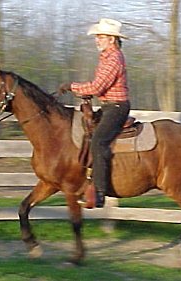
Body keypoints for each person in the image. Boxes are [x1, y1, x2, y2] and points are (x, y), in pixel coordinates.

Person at [58, 18, 130, 208]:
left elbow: (97, 87)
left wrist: (72, 86)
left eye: (101, 37)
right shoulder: (106, 57)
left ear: (112, 39)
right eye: (97, 36)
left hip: (116, 108)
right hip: (108, 106)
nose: (97, 40)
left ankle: (99, 191)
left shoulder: (114, 58)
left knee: (99, 141)